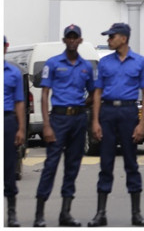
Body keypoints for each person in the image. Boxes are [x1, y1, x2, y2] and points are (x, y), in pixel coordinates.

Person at [87, 23, 144, 227]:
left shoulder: (140, 62)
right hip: (107, 112)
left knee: (131, 163)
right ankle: (100, 213)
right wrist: (95, 121)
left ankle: (136, 213)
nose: (108, 40)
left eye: (111, 36)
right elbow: (97, 92)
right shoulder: (105, 63)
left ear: (123, 38)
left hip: (128, 112)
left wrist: (142, 123)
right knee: (106, 163)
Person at [34, 24, 96, 227]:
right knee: (50, 165)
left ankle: (65, 213)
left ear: (79, 40)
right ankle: (39, 214)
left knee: (73, 165)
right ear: (64, 40)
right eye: (68, 37)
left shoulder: (86, 66)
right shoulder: (52, 64)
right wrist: (46, 125)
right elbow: (44, 96)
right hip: (58, 119)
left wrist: (82, 106)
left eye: (74, 37)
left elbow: (94, 92)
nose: (71, 40)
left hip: (78, 119)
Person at [4, 36, 25, 227]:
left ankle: (11, 213)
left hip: (7, 120)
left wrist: (21, 128)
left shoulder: (13, 72)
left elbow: (19, 101)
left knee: (9, 168)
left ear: (6, 47)